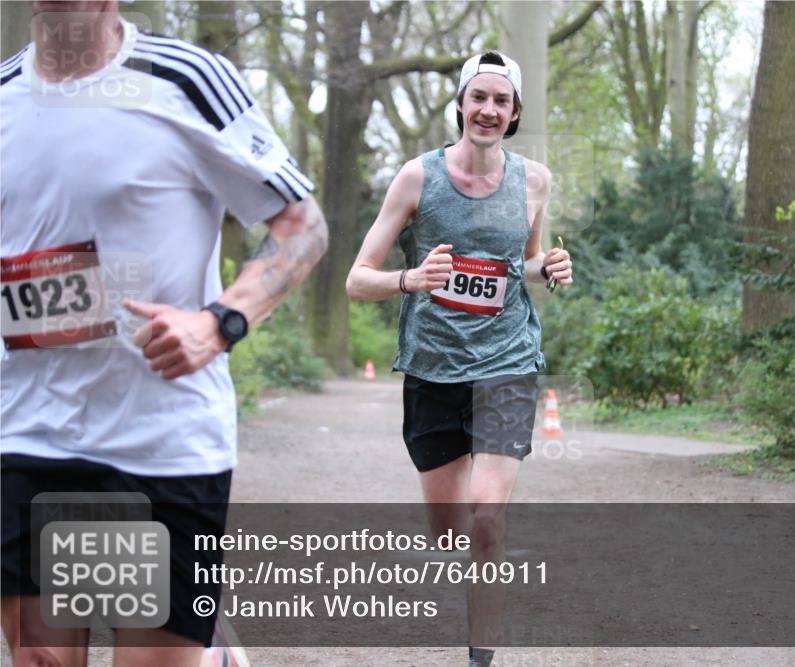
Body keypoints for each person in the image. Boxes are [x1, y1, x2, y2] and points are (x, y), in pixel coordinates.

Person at [0, 3, 327, 666]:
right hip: (26, 431)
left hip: (158, 440)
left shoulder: (186, 78)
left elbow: (304, 224)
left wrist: (219, 321)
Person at [346, 50, 572, 666]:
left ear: (516, 112)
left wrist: (547, 267)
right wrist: (411, 279)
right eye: (479, 97)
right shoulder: (417, 178)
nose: (489, 110)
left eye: (502, 101)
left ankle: (480, 658)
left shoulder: (535, 180)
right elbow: (357, 278)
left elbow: (519, 266)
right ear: (461, 105)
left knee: (487, 521)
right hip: (433, 368)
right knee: (450, 531)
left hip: (507, 362)